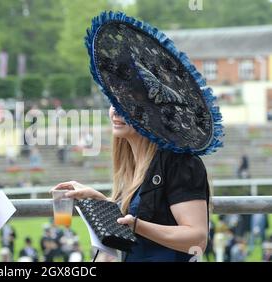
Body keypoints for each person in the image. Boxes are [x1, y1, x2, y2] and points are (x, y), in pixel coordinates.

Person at [51, 11, 224, 262]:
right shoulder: (132, 163)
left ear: (150, 114)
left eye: (126, 106)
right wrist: (98, 200)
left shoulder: (180, 163)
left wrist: (137, 225)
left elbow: (196, 238)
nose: (115, 112)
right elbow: (130, 223)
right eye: (114, 102)